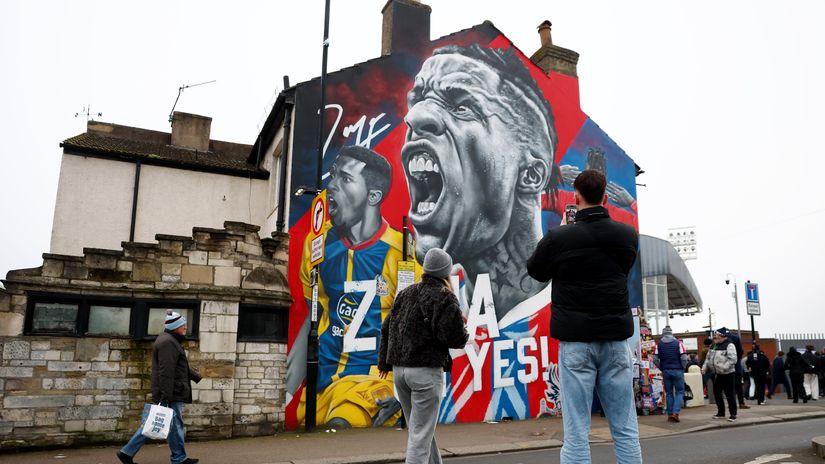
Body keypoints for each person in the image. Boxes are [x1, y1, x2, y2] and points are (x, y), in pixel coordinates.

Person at [403, 43, 558, 317]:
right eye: (418, 100)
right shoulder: (442, 313)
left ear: (530, 175)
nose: (414, 116)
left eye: (463, 106)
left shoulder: (562, 308)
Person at [526, 170, 641, 464]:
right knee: (626, 430)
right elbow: (623, 267)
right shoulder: (626, 236)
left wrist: (563, 229)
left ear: (575, 198)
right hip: (616, 341)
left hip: (576, 341)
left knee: (577, 432)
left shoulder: (561, 237)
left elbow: (536, 270)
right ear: (605, 197)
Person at [290, 145, 405, 428]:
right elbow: (313, 314)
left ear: (373, 196)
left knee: (342, 425)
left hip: (372, 385)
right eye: (333, 175)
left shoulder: (402, 253)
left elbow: (419, 329)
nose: (331, 185)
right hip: (321, 386)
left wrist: (403, 393)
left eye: (345, 179)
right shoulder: (316, 245)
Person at [378, 248, 469, 464]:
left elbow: (385, 327)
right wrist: (465, 334)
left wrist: (384, 362)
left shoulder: (405, 293)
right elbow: (453, 337)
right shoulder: (444, 297)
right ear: (445, 272)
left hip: (400, 372)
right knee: (420, 436)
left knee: (420, 431)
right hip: (425, 373)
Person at [117, 310, 201, 464]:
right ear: (176, 326)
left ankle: (128, 452)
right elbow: (166, 372)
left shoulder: (170, 340)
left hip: (172, 390)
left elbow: (177, 366)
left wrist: (196, 376)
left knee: (161, 423)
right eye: (183, 325)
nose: (185, 327)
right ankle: (178, 458)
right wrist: (166, 396)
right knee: (166, 424)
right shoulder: (168, 342)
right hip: (172, 391)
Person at [702, 328, 738, 422]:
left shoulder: (729, 345)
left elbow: (733, 359)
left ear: (723, 336)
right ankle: (721, 412)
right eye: (715, 335)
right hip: (717, 373)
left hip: (728, 373)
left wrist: (724, 367)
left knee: (729, 394)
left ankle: (733, 414)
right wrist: (704, 367)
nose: (715, 337)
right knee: (717, 393)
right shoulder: (713, 345)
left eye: (717, 335)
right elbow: (708, 358)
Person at [653, 326, 688, 422]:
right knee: (680, 392)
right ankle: (675, 413)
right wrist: (682, 367)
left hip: (666, 371)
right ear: (671, 333)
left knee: (669, 393)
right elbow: (684, 357)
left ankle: (669, 414)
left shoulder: (658, 344)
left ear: (663, 334)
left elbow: (655, 359)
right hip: (678, 370)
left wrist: (662, 367)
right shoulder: (678, 343)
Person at [719, 327, 750, 409]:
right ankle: (741, 403)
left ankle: (730, 405)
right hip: (736, 366)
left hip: (724, 367)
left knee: (728, 388)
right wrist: (737, 359)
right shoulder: (735, 338)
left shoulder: (720, 339)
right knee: (738, 386)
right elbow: (740, 351)